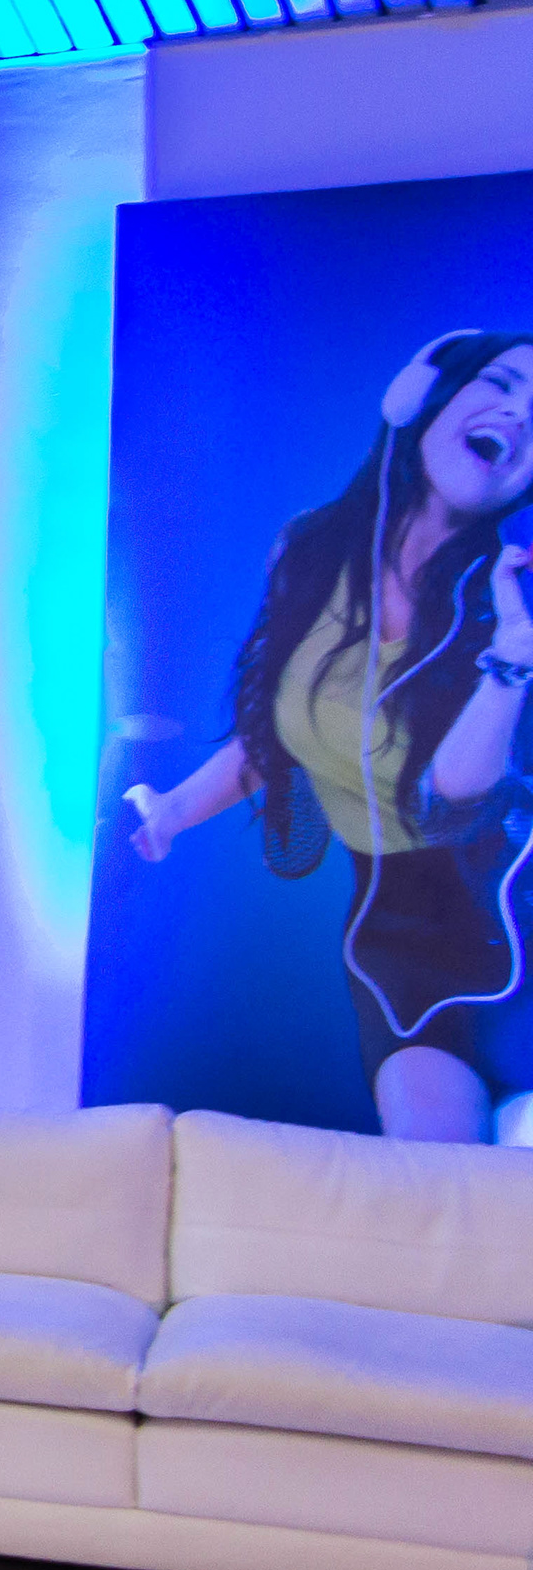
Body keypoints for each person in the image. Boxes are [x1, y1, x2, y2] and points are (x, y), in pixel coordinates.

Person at [127, 331, 533, 1140]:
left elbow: (453, 802)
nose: (519, 417)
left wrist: (509, 665)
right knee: (432, 1181)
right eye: (501, 384)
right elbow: (281, 729)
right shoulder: (311, 550)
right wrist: (174, 811)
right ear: (422, 399)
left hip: (513, 906)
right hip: (403, 936)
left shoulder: (512, 593)